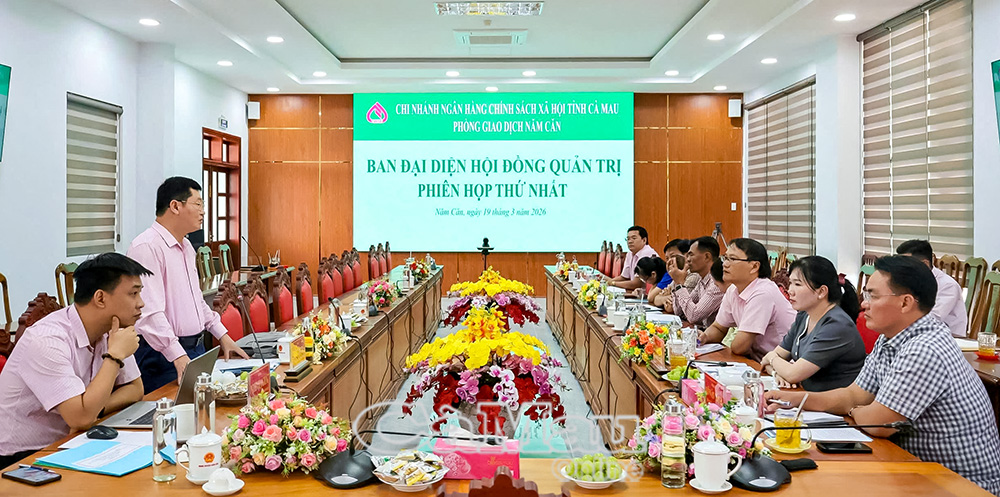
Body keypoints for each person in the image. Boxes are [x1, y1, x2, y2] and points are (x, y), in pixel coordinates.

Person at [765, 256, 1000, 495]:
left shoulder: (924, 348)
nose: (863, 305)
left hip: (958, 484)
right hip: (915, 468)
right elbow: (853, 395)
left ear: (905, 303)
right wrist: (794, 400)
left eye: (873, 296)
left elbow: (880, 424)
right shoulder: (890, 338)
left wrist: (854, 409)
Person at [0, 254, 148, 468]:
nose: (141, 303)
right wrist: (114, 356)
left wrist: (96, 409)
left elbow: (135, 388)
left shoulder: (111, 330)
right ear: (100, 298)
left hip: (71, 441)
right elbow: (80, 419)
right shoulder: (47, 341)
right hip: (22, 459)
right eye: (133, 294)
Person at [128, 177, 248, 394]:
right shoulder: (146, 247)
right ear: (175, 206)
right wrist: (177, 355)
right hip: (163, 356)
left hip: (195, 348)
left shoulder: (186, 247)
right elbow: (149, 313)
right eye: (198, 204)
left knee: (205, 410)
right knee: (174, 412)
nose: (203, 211)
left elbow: (196, 301)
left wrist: (222, 335)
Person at [759, 256, 866, 391]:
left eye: (798, 284)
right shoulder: (804, 316)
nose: (790, 290)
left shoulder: (836, 325)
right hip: (806, 395)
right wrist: (777, 373)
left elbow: (792, 373)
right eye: (790, 283)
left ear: (821, 291)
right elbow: (767, 362)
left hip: (833, 402)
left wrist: (772, 358)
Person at [698, 238, 795, 361]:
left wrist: (737, 345)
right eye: (725, 258)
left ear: (754, 266)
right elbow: (719, 328)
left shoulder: (763, 293)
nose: (725, 264)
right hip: (759, 360)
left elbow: (739, 347)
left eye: (732, 259)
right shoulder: (733, 290)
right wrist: (704, 337)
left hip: (782, 364)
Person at [896, 239, 967, 337]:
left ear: (925, 264)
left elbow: (934, 318)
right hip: (917, 333)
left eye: (907, 264)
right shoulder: (910, 280)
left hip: (946, 338)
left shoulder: (948, 285)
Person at [668, 236, 724, 328]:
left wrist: (679, 284)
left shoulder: (716, 283)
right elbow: (679, 312)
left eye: (691, 255)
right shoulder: (701, 281)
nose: (687, 260)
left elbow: (694, 316)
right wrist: (677, 282)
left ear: (707, 256)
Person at [608, 226, 657, 291]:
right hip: (636, 293)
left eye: (634, 238)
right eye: (628, 239)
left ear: (644, 240)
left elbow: (636, 284)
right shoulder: (630, 254)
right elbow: (624, 277)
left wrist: (612, 283)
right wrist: (608, 282)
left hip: (648, 294)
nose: (630, 241)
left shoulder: (647, 253)